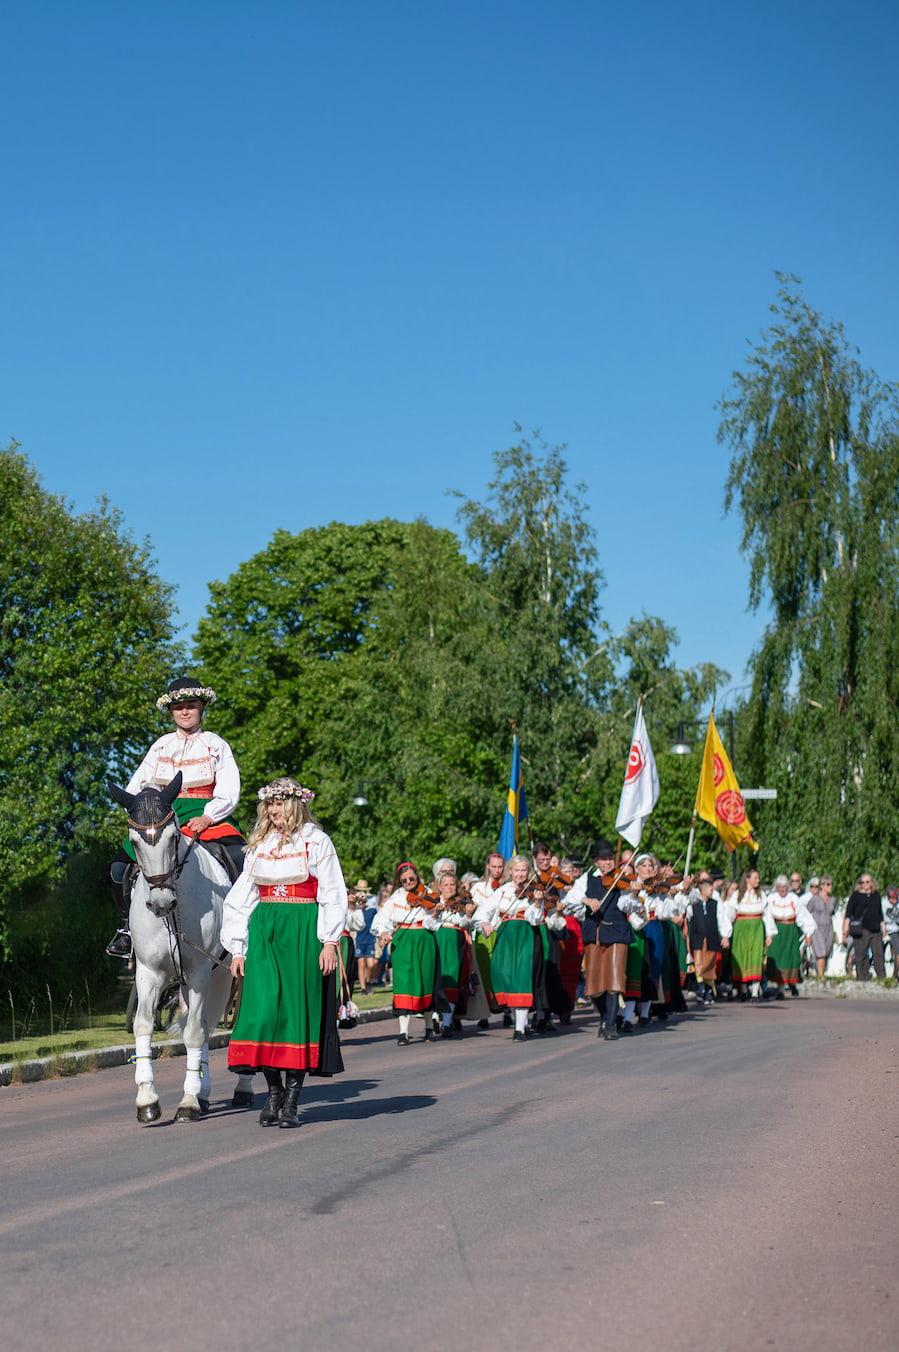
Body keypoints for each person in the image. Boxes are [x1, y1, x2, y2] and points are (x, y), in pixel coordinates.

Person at [222, 778, 346, 1128]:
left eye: (280, 804)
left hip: (302, 931)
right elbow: (241, 898)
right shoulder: (260, 845)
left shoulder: (316, 841)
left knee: (294, 1015)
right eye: (270, 806)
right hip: (264, 933)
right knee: (262, 1014)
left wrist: (329, 941)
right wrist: (237, 948)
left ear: (294, 805)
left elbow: (332, 891)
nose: (274, 811)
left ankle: (291, 1100)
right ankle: (272, 1089)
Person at [107, 676, 244, 958]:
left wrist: (208, 817)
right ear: (170, 711)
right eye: (179, 707)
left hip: (207, 816)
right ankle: (127, 930)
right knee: (118, 868)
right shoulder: (160, 746)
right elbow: (135, 789)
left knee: (241, 859)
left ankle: (244, 927)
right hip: (162, 817)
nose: (185, 711)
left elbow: (230, 791)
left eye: (191, 706)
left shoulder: (216, 744)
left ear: (201, 708)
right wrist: (144, 815)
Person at [566, 840, 638, 1041]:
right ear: (596, 861)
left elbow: (626, 905)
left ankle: (612, 1024)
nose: (608, 863)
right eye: (603, 859)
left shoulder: (621, 879)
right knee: (594, 986)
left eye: (610, 859)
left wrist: (633, 892)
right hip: (593, 934)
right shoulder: (587, 879)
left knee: (615, 980)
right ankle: (605, 1017)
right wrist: (587, 900)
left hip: (617, 933)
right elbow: (570, 897)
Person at [373, 862, 441, 1045]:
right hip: (402, 940)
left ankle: (428, 1029)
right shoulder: (396, 897)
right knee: (403, 982)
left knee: (425, 981)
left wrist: (434, 914)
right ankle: (403, 1032)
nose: (409, 882)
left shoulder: (429, 894)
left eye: (412, 878)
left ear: (417, 877)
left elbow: (435, 922)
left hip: (424, 939)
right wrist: (383, 933)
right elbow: (381, 918)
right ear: (399, 881)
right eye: (404, 880)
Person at [486, 855, 547, 1042]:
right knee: (501, 973)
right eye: (517, 870)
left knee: (521, 977)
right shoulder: (502, 891)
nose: (520, 874)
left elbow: (535, 919)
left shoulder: (535, 892)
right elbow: (485, 911)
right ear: (510, 871)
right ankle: (519, 1020)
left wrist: (537, 902)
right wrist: (484, 924)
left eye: (524, 871)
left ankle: (519, 1028)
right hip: (505, 936)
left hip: (526, 935)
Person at [719, 868, 776, 1000]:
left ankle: (755, 992)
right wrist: (726, 935)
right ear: (747, 879)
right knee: (742, 956)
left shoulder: (761, 895)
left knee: (756, 957)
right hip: (741, 928)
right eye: (755, 878)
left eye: (758, 878)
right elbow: (728, 915)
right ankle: (744, 990)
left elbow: (767, 915)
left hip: (756, 928)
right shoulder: (737, 895)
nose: (758, 880)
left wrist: (769, 934)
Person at [765, 875, 816, 997]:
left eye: (785, 887)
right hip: (777, 931)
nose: (782, 889)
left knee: (790, 958)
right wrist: (769, 934)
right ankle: (780, 987)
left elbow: (802, 915)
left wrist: (808, 933)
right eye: (780, 887)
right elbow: (767, 917)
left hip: (790, 930)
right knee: (777, 958)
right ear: (776, 887)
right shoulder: (771, 899)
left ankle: (789, 985)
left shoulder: (793, 899)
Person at [687, 872, 724, 1004]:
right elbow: (688, 921)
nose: (712, 891)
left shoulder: (715, 904)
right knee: (698, 964)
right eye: (710, 889)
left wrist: (724, 936)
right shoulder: (693, 906)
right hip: (698, 940)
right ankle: (700, 990)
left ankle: (708, 991)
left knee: (710, 965)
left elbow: (721, 920)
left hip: (712, 939)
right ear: (703, 891)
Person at [843, 873, 886, 980]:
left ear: (871, 883)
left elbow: (880, 913)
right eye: (862, 882)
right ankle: (862, 978)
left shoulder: (876, 895)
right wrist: (845, 927)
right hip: (861, 929)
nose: (865, 884)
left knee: (878, 955)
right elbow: (848, 913)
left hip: (876, 929)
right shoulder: (856, 896)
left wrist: (883, 927)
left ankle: (882, 978)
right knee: (861, 955)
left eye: (867, 882)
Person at [804, 877, 835, 982]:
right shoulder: (814, 899)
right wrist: (807, 929)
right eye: (828, 884)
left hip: (829, 928)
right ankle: (821, 977)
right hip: (817, 927)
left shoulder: (833, 900)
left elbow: (832, 913)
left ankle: (821, 973)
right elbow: (806, 912)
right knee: (820, 951)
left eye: (830, 884)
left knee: (826, 952)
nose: (830, 886)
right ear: (822, 886)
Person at [352, 880, 378, 994]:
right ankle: (363, 988)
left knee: (371, 964)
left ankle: (368, 981)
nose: (362, 893)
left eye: (364, 891)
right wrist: (359, 906)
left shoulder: (372, 904)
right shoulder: (355, 906)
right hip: (359, 938)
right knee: (361, 964)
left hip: (370, 938)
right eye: (360, 890)